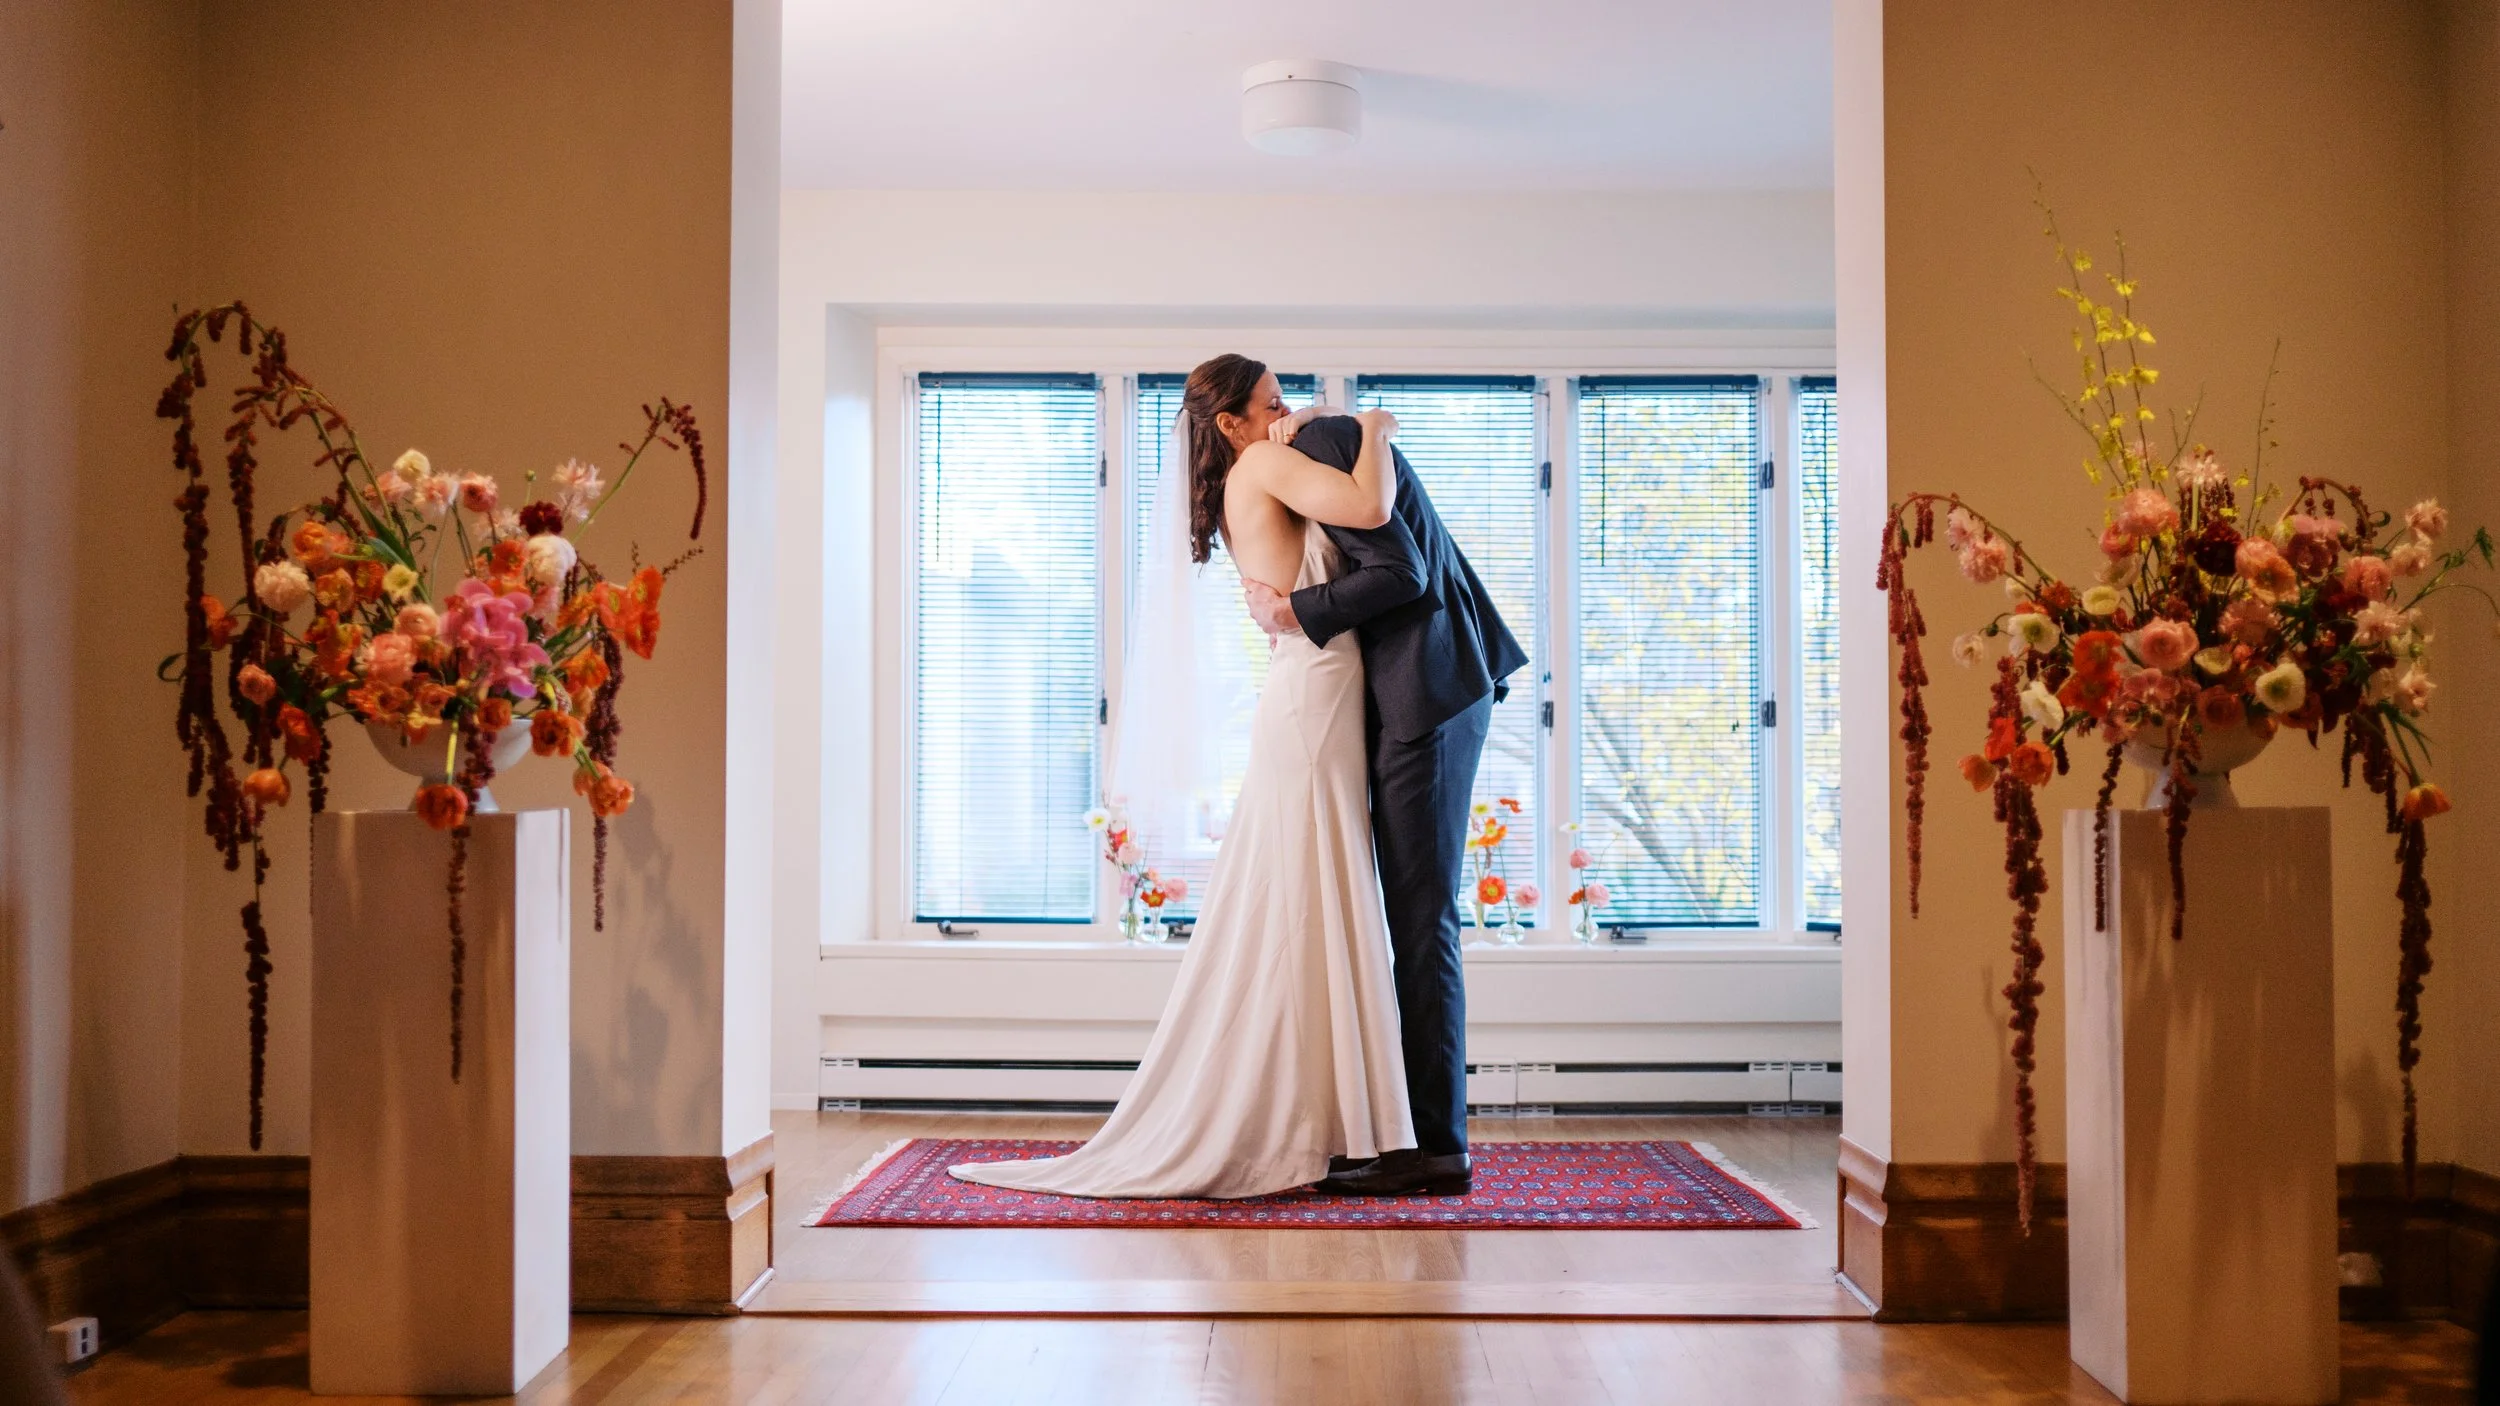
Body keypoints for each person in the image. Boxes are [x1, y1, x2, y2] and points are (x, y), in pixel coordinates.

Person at [948, 355, 1417, 1198]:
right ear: (1233, 422)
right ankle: (1313, 1116)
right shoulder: (1270, 463)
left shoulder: (1257, 459)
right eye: (1271, 398)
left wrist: (1307, 415)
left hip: (1313, 684)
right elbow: (1374, 507)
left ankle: (1326, 1112)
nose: (1288, 408)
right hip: (1314, 690)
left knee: (1309, 894)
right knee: (1305, 894)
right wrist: (1375, 426)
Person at [1243, 402, 1525, 1197]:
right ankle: (1395, 1129)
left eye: (1277, 399)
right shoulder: (1318, 450)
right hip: (1412, 692)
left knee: (1421, 914)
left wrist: (1292, 612)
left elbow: (1403, 571)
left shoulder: (1325, 442)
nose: (1282, 413)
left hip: (1427, 696)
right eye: (1270, 400)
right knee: (1402, 914)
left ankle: (1436, 1150)